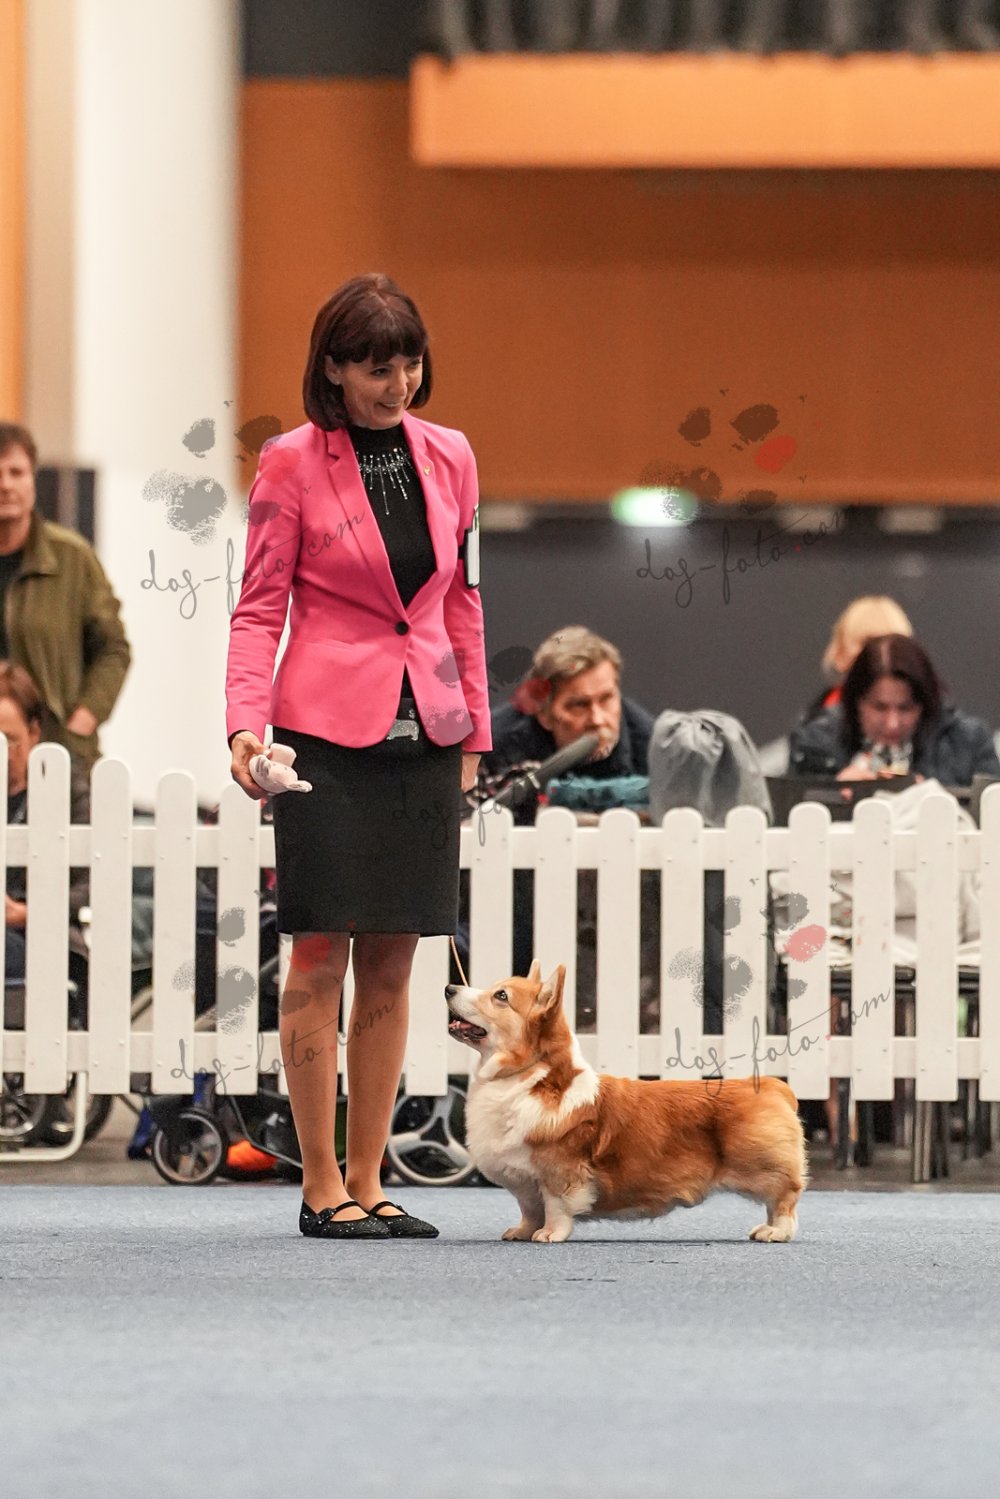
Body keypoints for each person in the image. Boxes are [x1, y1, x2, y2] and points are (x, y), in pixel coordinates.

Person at [226, 272, 491, 1240]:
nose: (399, 384)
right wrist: (243, 726)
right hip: (321, 736)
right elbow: (259, 608)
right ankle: (319, 1181)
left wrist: (475, 731)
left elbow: (462, 602)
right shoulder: (290, 462)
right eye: (378, 368)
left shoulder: (452, 455)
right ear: (333, 367)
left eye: (410, 364)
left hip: (427, 731)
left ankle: (372, 1177)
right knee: (317, 951)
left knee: (392, 959)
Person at [463, 626, 655, 1015]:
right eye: (578, 705)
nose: (598, 719)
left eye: (607, 699)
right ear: (544, 711)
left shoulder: (647, 740)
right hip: (509, 917)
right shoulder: (497, 746)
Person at [0, 423, 131, 768]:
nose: (5, 485)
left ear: (33, 479)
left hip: (60, 759)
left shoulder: (72, 558)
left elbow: (113, 650)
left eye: (16, 472)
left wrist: (79, 726)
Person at [789, 633, 999, 786]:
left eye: (905, 708)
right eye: (880, 707)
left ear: (925, 705)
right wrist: (833, 794)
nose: (892, 723)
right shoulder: (815, 743)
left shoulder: (968, 743)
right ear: (856, 702)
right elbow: (788, 818)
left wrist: (938, 800)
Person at [0, 661, 90, 1001]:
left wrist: (30, 912)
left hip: (49, 939)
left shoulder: (67, 792)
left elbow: (91, 885)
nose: (3, 754)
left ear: (34, 731)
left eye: (10, 740)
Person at [802, 595, 913, 723]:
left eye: (892, 645)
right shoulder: (820, 716)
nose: (879, 654)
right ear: (841, 651)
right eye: (866, 643)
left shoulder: (927, 717)